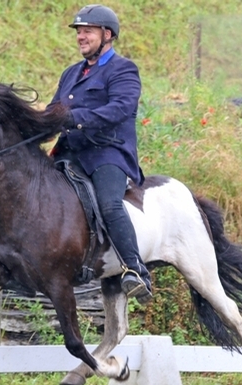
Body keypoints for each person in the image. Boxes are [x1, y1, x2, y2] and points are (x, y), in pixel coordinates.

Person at [47, 4, 152, 304]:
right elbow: (55, 112)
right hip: (71, 152)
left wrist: (77, 118)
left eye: (87, 31)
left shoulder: (123, 70)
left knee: (109, 204)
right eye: (79, 31)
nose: (81, 36)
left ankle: (135, 270)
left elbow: (120, 108)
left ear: (107, 35)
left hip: (108, 153)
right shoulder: (71, 73)